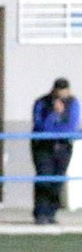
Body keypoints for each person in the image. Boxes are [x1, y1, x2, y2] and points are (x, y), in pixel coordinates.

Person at [31, 77, 78, 224]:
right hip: (43, 146)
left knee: (57, 180)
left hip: (63, 147)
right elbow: (40, 126)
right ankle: (40, 213)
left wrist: (59, 131)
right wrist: (53, 114)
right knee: (44, 177)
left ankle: (51, 213)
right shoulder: (42, 103)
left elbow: (71, 126)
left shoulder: (73, 103)